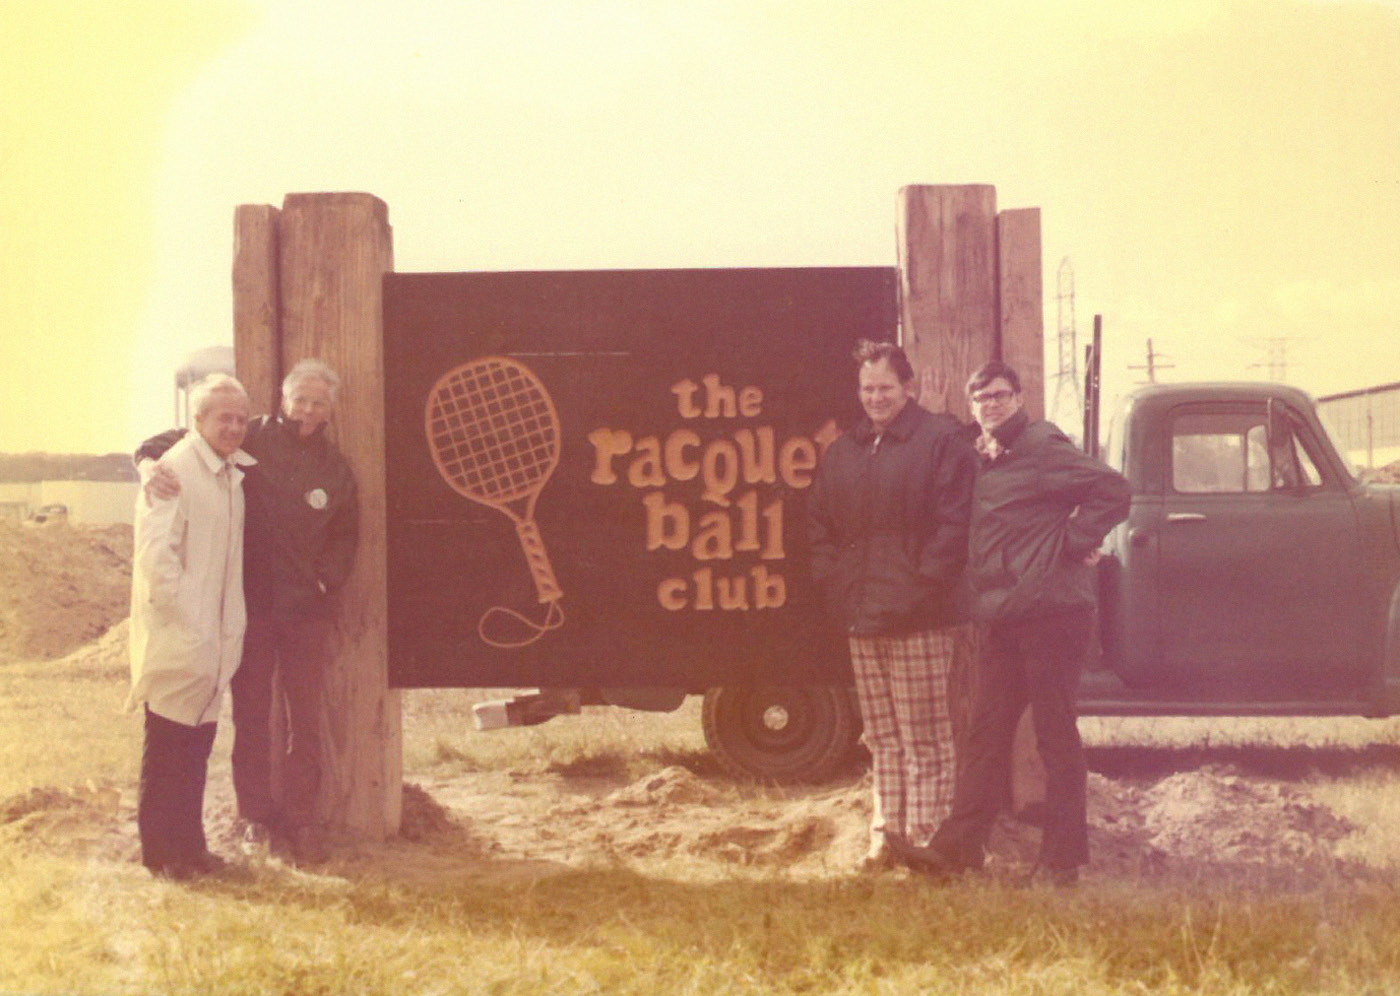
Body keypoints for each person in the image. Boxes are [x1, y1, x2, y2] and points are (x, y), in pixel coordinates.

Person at [888, 360, 1131, 886]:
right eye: (981, 398)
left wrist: (1075, 542)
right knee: (985, 732)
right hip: (1005, 618)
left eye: (1000, 395)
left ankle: (1062, 863)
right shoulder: (985, 455)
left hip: (1053, 616)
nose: (991, 405)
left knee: (1054, 736)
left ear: (1019, 398)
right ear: (973, 406)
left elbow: (1113, 489)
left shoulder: (1042, 446)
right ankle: (957, 850)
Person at [137, 359, 359, 863]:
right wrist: (145, 462)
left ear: (330, 409)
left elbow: (347, 534)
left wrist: (327, 578)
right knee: (252, 718)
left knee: (305, 720)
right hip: (250, 611)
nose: (306, 409)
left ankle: (302, 820)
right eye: (298, 398)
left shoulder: (334, 467)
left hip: (305, 613)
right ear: (282, 400)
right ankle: (255, 816)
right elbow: (167, 444)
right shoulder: (245, 435)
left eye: (317, 401)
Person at [807, 340, 977, 871]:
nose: (875, 398)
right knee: (882, 738)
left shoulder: (942, 441)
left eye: (884, 387)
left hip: (919, 617)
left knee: (924, 738)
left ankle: (927, 846)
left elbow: (956, 526)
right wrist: (835, 583)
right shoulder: (844, 451)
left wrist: (921, 588)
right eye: (866, 388)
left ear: (910, 387)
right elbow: (819, 527)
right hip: (861, 616)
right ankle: (886, 839)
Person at [128, 374, 253, 879]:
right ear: (196, 420)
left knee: (196, 748)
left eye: (241, 419)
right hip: (184, 637)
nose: (235, 427)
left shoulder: (229, 474)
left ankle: (191, 847)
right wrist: (194, 625)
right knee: (167, 748)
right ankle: (161, 856)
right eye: (224, 417)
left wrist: (217, 633)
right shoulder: (175, 471)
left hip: (214, 641)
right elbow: (158, 561)